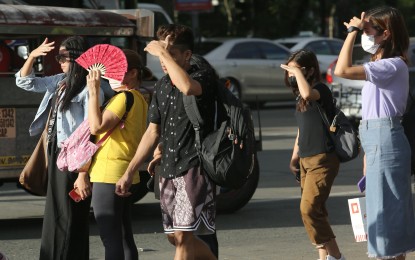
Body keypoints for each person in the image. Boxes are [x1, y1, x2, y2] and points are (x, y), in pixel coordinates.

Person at [115, 24, 218, 260]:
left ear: (187, 55)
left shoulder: (202, 77)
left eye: (170, 54)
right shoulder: (161, 86)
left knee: (183, 237)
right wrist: (130, 171)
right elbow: (152, 131)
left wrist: (161, 52)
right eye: (162, 55)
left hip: (195, 167)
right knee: (175, 237)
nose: (163, 61)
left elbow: (187, 88)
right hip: (168, 168)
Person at [334, 6, 415, 259]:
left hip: (385, 136)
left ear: (386, 33)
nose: (364, 35)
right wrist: (362, 27)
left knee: (387, 212)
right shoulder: (381, 61)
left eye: (368, 30)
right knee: (383, 211)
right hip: (375, 137)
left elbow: (342, 70)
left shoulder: (392, 65)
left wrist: (350, 32)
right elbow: (369, 47)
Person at [15, 36, 104, 260]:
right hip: (57, 151)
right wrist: (33, 56)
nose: (59, 61)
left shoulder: (90, 89)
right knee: (56, 211)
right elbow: (25, 82)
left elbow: (91, 134)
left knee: (68, 213)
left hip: (75, 156)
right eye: (58, 56)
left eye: (63, 57)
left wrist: (83, 173)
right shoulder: (61, 81)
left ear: (77, 58)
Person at [86, 49, 151, 260]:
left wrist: (94, 91)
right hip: (125, 172)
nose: (110, 77)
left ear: (132, 73)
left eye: (116, 71)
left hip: (109, 173)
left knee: (111, 238)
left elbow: (96, 127)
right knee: (123, 237)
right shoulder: (140, 98)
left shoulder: (124, 97)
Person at [280, 49, 345, 260]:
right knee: (316, 211)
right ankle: (322, 255)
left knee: (308, 209)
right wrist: (294, 157)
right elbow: (302, 130)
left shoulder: (319, 90)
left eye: (295, 71)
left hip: (323, 159)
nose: (290, 76)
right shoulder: (300, 95)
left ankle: (336, 256)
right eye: (288, 72)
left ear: (309, 71)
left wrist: (297, 72)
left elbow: (309, 94)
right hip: (306, 160)